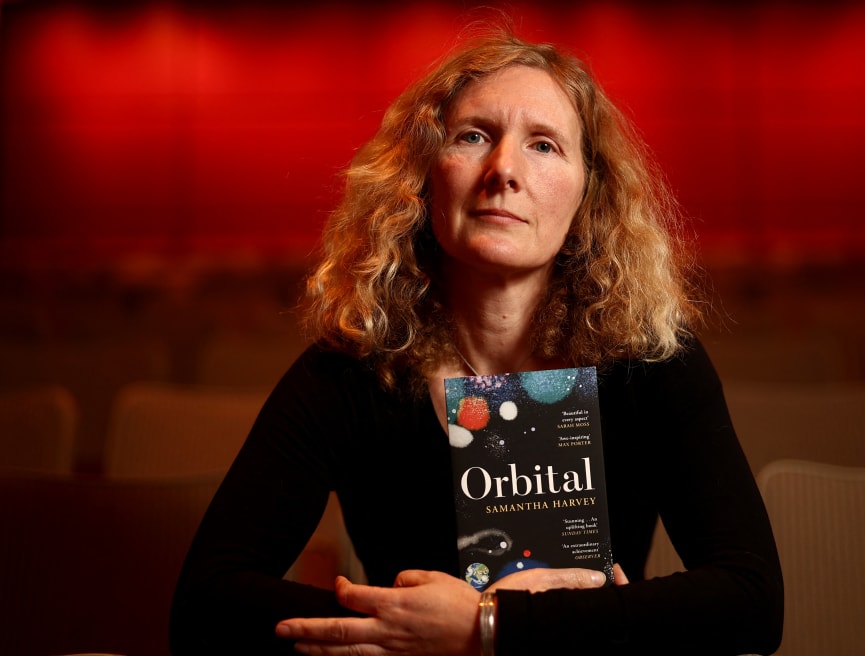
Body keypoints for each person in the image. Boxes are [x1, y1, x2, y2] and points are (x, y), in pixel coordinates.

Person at [169, 22, 783, 656]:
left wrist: (484, 628)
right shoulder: (351, 370)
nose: (504, 171)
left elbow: (752, 602)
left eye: (544, 145)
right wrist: (408, 632)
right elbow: (206, 602)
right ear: (422, 178)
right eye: (473, 136)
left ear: (586, 199)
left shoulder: (651, 362)